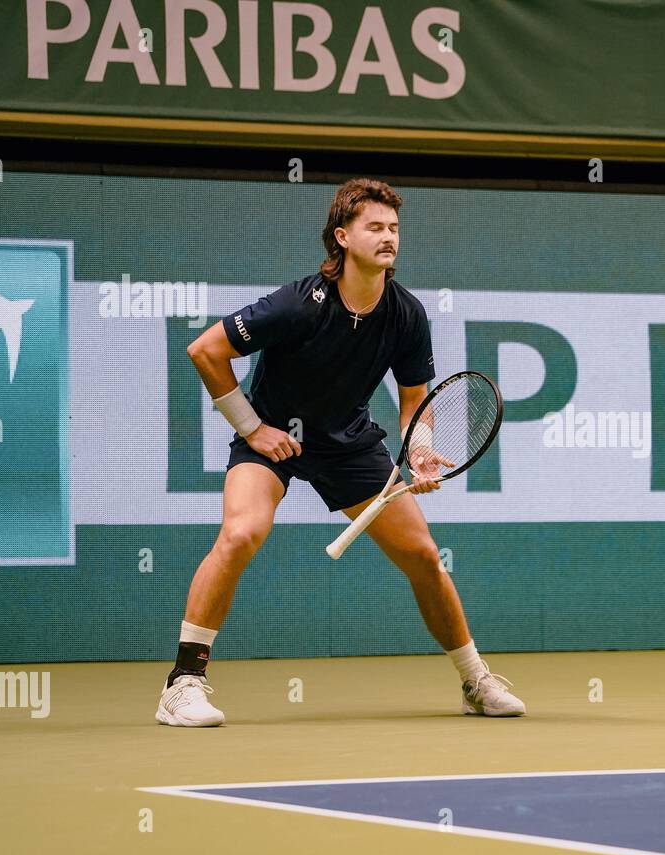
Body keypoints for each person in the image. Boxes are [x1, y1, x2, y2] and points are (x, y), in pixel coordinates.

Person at [156, 178, 526, 727]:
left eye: (394, 228)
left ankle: (475, 679)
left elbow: (414, 403)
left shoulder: (406, 315)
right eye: (374, 227)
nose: (388, 237)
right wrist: (254, 428)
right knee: (240, 534)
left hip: (349, 443)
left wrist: (419, 453)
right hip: (275, 435)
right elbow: (205, 350)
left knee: (423, 556)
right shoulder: (298, 305)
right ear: (342, 237)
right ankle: (182, 684)